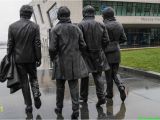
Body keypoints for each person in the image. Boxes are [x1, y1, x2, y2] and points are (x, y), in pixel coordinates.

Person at [49, 6, 88, 119]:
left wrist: (53, 58)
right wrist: (78, 53)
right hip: (74, 62)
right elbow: (83, 45)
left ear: (59, 16)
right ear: (68, 15)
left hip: (60, 62)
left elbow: (52, 49)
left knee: (60, 87)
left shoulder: (55, 29)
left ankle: (59, 107)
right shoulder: (76, 28)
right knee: (74, 86)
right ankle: (75, 109)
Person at [7, 5, 42, 113]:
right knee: (34, 78)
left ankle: (28, 106)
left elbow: (10, 44)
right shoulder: (35, 26)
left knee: (24, 82)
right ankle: (36, 95)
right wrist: (38, 57)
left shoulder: (12, 26)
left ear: (20, 13)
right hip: (31, 59)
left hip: (19, 60)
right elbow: (37, 43)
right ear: (30, 14)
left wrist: (9, 57)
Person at [78, 5, 110, 106]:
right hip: (98, 54)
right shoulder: (101, 24)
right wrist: (100, 49)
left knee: (84, 76)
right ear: (93, 14)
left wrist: (83, 51)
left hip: (85, 55)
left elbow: (79, 42)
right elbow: (106, 40)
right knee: (98, 76)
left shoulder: (80, 25)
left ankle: (83, 97)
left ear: (84, 13)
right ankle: (101, 96)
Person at [102, 7, 127, 102]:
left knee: (108, 75)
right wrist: (115, 43)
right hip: (116, 51)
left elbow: (102, 40)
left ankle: (109, 94)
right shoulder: (119, 25)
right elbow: (124, 39)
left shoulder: (103, 25)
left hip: (107, 53)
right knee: (115, 72)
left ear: (105, 15)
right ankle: (120, 86)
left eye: (103, 15)